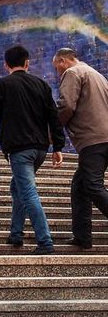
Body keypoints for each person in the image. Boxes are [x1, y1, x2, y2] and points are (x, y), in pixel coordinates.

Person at [0, 45, 64, 255]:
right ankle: (16, 233)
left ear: (6, 65)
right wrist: (58, 146)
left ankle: (45, 242)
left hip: (19, 149)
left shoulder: (2, 84)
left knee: (28, 193)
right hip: (40, 149)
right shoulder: (42, 84)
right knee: (17, 187)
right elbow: (54, 116)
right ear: (27, 63)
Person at [52, 47, 108, 249]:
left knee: (92, 185)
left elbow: (66, 105)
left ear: (63, 61)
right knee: (80, 186)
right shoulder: (97, 75)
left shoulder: (72, 72)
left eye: (56, 66)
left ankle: (82, 237)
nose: (57, 71)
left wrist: (53, 130)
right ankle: (82, 237)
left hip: (92, 138)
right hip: (103, 136)